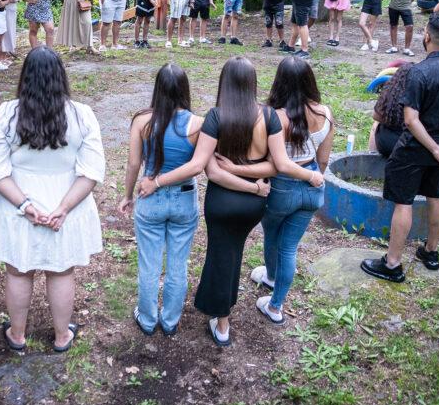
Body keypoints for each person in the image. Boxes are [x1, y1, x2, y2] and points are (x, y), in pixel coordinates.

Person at [136, 57, 323, 346]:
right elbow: (276, 165)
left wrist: (233, 170)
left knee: (222, 256)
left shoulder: (215, 116)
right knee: (232, 254)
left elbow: (211, 171)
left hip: (222, 202)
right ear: (252, 83)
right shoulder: (269, 117)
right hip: (253, 204)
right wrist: (254, 187)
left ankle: (222, 322)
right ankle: (218, 311)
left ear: (224, 82)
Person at [0, 46, 105, 352]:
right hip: (65, 202)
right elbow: (91, 171)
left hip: (16, 204)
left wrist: (25, 205)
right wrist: (62, 209)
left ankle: (18, 334)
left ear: (25, 78)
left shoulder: (7, 113)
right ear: (61, 77)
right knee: (61, 270)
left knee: (18, 271)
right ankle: (62, 335)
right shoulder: (82, 115)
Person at [216, 57, 333, 323]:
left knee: (272, 232)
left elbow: (276, 162)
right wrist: (314, 177)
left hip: (282, 186)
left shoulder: (275, 115)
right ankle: (276, 305)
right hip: (313, 185)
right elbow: (324, 159)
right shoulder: (325, 113)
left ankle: (270, 276)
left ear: (279, 81)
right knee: (289, 247)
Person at [360, 13, 439, 282]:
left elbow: (411, 119)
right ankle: (431, 251)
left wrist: (433, 147)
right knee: (436, 196)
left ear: (427, 36)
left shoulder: (419, 72)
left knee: (403, 203)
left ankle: (393, 263)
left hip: (414, 149)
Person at [118, 63, 204, 335]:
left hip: (149, 196)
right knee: (178, 264)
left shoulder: (142, 121)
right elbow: (198, 165)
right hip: (184, 198)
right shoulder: (197, 124)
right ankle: (169, 321)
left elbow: (134, 164)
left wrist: (127, 195)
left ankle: (146, 319)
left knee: (149, 263)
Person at [367, 62, 414, 157]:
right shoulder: (419, 93)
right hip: (410, 144)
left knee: (376, 125)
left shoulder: (391, 92)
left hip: (387, 143)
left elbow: (376, 116)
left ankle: (372, 154)